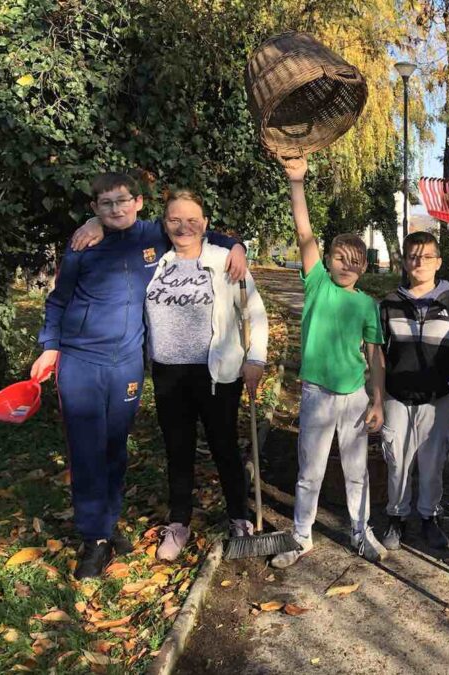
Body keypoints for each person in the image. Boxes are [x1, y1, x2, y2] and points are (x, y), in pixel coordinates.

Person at [33, 172, 246, 579]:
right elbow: (58, 300)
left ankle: (107, 526)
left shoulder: (155, 234)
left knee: (114, 446)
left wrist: (236, 244)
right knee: (86, 448)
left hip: (128, 363)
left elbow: (195, 228)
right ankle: (93, 538)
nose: (116, 209)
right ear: (94, 208)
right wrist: (51, 346)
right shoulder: (83, 244)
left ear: (139, 203)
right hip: (81, 360)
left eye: (122, 201)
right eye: (105, 204)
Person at [269, 155, 387, 568]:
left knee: (357, 471)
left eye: (355, 262)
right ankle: (301, 536)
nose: (346, 266)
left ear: (364, 267)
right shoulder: (316, 281)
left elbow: (374, 354)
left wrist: (377, 400)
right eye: (340, 257)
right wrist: (296, 181)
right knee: (310, 471)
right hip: (317, 394)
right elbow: (304, 231)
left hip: (354, 396)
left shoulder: (368, 305)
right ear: (330, 259)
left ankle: (361, 532)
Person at [142, 189, 268, 561]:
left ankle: (238, 517)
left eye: (192, 220)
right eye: (175, 220)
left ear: (205, 225)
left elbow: (253, 313)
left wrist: (256, 360)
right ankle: (179, 522)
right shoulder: (153, 262)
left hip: (217, 374)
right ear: (164, 224)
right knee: (177, 451)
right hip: (167, 374)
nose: (184, 227)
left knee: (225, 447)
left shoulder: (225, 259)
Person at [378, 231, 449, 551]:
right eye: (413, 256)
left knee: (432, 461)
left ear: (438, 262)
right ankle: (397, 517)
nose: (420, 262)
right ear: (404, 261)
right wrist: (380, 391)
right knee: (396, 460)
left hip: (437, 399)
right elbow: (378, 352)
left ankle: (430, 516)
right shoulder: (389, 304)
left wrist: (447, 384)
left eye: (427, 256)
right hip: (397, 396)